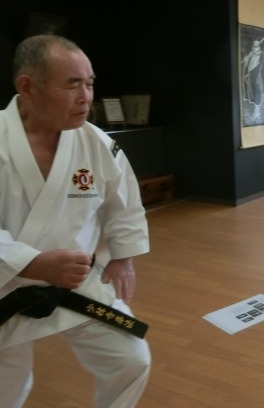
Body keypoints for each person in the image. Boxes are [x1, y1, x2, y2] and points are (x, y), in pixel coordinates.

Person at [0, 34, 151, 407]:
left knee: (131, 358)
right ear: (27, 87)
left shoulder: (97, 143)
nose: (86, 97)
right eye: (72, 84)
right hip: (4, 286)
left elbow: (124, 204)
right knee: (7, 387)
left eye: (90, 83)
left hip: (75, 283)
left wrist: (123, 257)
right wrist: (33, 263)